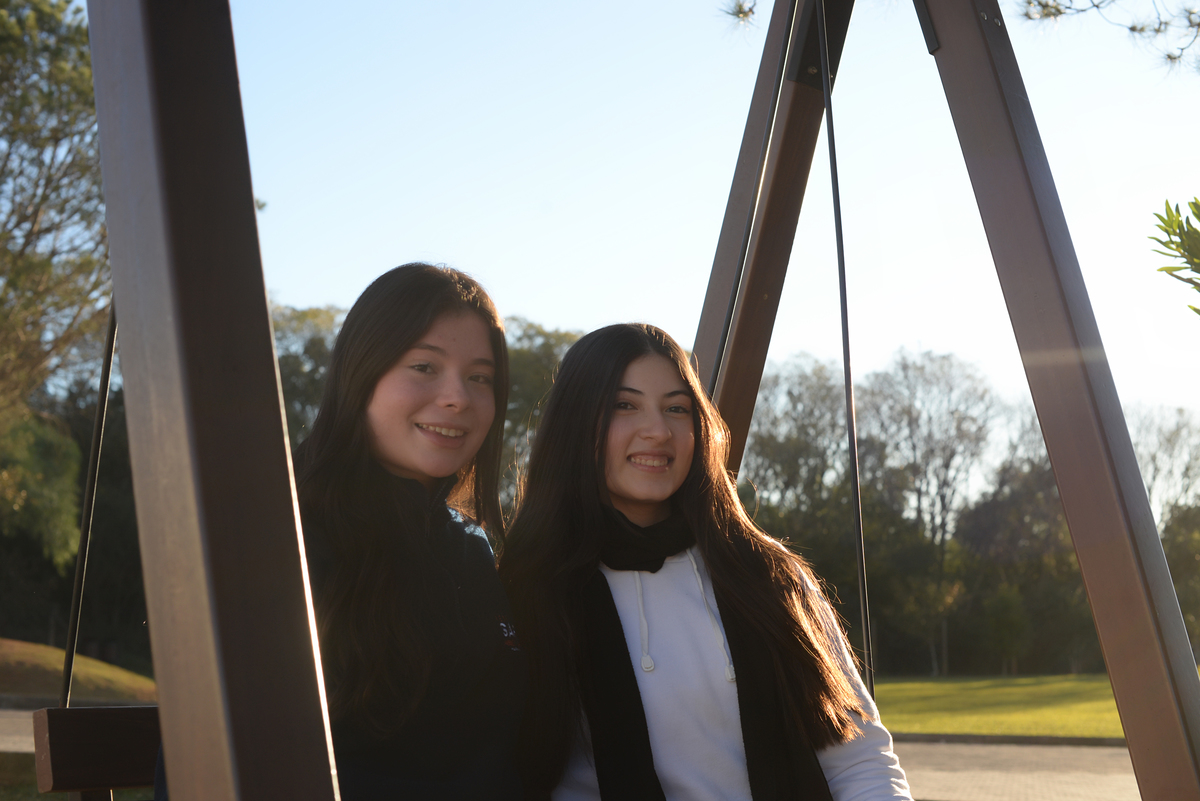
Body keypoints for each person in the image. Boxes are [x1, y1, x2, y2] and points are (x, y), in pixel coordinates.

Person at [154, 263, 525, 800]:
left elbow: (497, 750)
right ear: (360, 373)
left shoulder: (471, 550)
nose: (457, 397)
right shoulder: (276, 538)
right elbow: (215, 758)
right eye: (424, 366)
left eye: (480, 377)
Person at [499, 323, 911, 801]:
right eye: (624, 405)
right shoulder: (527, 589)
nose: (658, 431)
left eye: (677, 408)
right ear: (574, 422)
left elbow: (860, 761)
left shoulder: (767, 576)